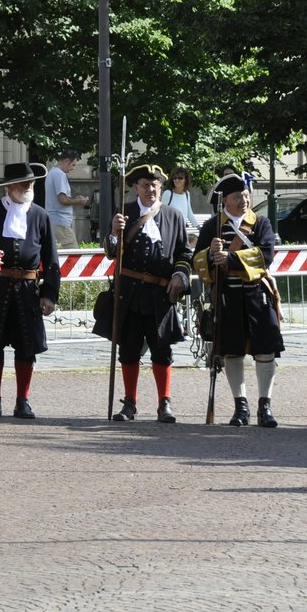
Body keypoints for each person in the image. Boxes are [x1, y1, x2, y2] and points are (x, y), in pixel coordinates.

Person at [0, 161, 62, 418]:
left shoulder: (40, 215)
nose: (29, 186)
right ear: (9, 187)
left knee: (26, 347)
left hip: (28, 291)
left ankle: (23, 400)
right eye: (23, 182)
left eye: (31, 182)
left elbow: (51, 260)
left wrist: (50, 294)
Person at [195, 173, 285, 426]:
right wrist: (211, 256)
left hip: (257, 295)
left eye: (245, 195)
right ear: (226, 201)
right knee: (232, 352)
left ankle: (264, 405)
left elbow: (266, 256)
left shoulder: (261, 223)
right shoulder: (212, 226)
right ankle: (240, 406)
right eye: (238, 196)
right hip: (228, 296)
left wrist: (230, 258)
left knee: (266, 350)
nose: (244, 200)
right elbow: (197, 261)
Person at [105, 164, 193, 422]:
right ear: (136, 188)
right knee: (129, 351)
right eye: (145, 184)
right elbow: (111, 252)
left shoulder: (174, 216)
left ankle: (164, 403)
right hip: (130, 294)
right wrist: (113, 233)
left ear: (161, 187)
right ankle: (129, 403)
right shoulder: (124, 213)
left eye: (155, 184)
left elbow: (184, 254)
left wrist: (179, 275)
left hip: (159, 294)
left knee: (162, 351)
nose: (151, 189)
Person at [47, 149, 89, 251]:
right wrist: (78, 201)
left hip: (54, 221)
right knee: (73, 254)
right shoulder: (60, 175)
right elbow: (63, 200)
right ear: (66, 161)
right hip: (61, 223)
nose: (73, 168)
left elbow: (61, 198)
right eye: (73, 165)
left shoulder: (52, 172)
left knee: (59, 255)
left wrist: (74, 199)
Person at [161, 167, 198, 244]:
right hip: (169, 232)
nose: (177, 180)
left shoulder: (187, 194)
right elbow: (161, 213)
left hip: (182, 230)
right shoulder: (168, 193)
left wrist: (198, 226)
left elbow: (189, 212)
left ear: (186, 180)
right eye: (175, 178)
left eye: (180, 178)